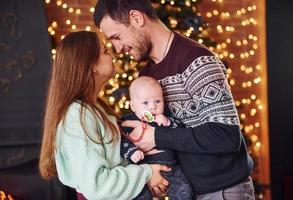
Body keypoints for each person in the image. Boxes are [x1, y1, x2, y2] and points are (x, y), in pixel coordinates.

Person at [93, 0, 255, 199]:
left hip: (222, 191)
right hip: (187, 191)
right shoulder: (147, 74)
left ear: (136, 18)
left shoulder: (196, 60)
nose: (117, 49)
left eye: (117, 37)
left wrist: (156, 137)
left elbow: (226, 137)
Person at [38, 31, 171, 200]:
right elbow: (97, 186)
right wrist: (146, 173)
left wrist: (149, 180)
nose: (113, 53)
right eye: (105, 51)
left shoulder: (97, 108)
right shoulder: (76, 115)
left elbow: (115, 160)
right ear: (91, 65)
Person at [120, 76, 194, 199]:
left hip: (171, 167)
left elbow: (180, 130)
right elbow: (122, 140)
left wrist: (168, 123)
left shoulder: (165, 118)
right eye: (145, 103)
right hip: (144, 169)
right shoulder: (128, 121)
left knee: (184, 191)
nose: (152, 107)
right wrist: (132, 151)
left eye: (157, 101)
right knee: (141, 195)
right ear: (132, 106)